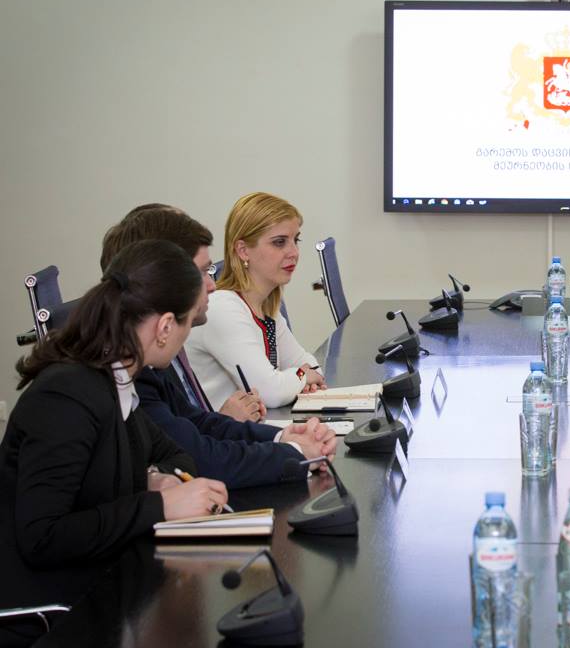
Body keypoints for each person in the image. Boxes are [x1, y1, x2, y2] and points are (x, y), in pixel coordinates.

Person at [0, 240, 229, 636]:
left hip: (100, 583)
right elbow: (42, 536)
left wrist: (154, 478)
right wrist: (159, 504)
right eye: (189, 323)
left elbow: (177, 457)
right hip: (52, 615)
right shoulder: (68, 395)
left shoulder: (116, 380)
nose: (186, 337)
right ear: (164, 327)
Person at [101, 206, 337, 488]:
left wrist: (283, 438)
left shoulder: (152, 363)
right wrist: (295, 452)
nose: (212, 285)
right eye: (203, 272)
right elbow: (200, 453)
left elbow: (196, 423)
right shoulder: (135, 367)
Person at [186, 192, 326, 410]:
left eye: (295, 240)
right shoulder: (222, 308)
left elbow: (314, 368)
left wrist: (298, 377)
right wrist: (301, 376)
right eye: (279, 242)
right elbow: (270, 392)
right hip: (221, 430)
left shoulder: (266, 306)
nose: (294, 252)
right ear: (243, 251)